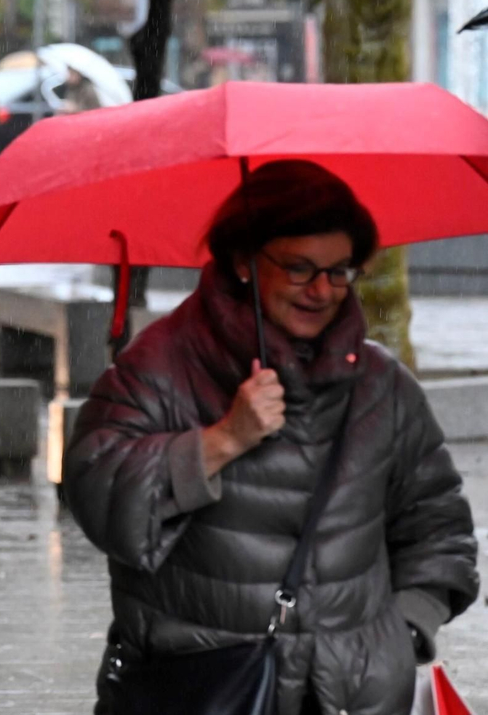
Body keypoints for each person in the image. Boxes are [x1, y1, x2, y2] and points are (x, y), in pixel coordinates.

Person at [64, 160, 478, 715]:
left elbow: (438, 530)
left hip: (357, 695)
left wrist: (402, 634)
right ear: (242, 261)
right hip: (207, 690)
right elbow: (97, 496)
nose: (322, 291)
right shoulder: (159, 367)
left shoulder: (382, 385)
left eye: (339, 271)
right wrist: (221, 441)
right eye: (300, 269)